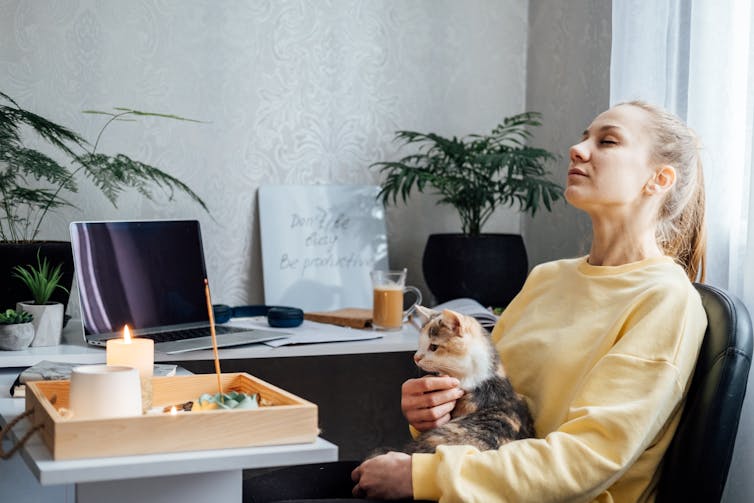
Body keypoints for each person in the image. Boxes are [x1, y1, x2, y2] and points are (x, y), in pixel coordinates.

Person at [244, 100, 708, 502]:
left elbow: (586, 463)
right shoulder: (548, 278)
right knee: (253, 490)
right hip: (479, 480)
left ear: (658, 179)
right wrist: (435, 410)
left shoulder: (665, 301)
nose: (578, 149)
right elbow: (490, 402)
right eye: (583, 136)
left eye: (607, 141)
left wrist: (422, 475)